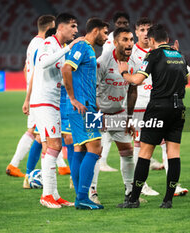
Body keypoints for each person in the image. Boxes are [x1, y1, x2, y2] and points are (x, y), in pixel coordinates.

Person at [131, 17, 190, 197]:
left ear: (153, 37)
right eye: (142, 30)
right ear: (136, 32)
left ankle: (161, 187)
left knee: (155, 147)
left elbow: (185, 68)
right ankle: (141, 186)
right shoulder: (132, 51)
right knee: (143, 146)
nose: (145, 33)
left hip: (156, 104)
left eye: (148, 30)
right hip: (141, 103)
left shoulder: (158, 53)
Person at [117, 24, 189, 208]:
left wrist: (124, 72)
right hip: (178, 108)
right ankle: (168, 200)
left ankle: (133, 199)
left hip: (158, 108)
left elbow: (137, 80)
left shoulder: (153, 54)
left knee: (145, 152)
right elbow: (186, 80)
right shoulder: (179, 56)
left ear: (152, 40)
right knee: (173, 154)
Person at [30, 13, 83, 208]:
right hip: (44, 101)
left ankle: (54, 194)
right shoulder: (48, 44)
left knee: (54, 146)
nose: (76, 31)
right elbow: (43, 63)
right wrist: (69, 48)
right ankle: (46, 196)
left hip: (52, 102)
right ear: (61, 27)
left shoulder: (59, 48)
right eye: (73, 26)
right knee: (54, 145)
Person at [61, 17, 109, 210]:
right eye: (105, 33)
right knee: (95, 148)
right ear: (96, 31)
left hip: (90, 106)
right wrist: (72, 99)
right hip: (81, 107)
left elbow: (87, 81)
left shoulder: (88, 49)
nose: (106, 37)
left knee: (81, 149)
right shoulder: (82, 47)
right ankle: (82, 197)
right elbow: (66, 68)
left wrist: (98, 108)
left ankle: (81, 195)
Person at [88, 27, 138, 205]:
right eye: (125, 40)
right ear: (115, 42)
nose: (130, 43)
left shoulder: (133, 62)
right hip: (99, 113)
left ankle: (130, 191)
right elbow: (91, 90)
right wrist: (97, 114)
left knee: (127, 152)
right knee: (94, 154)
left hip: (119, 113)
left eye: (131, 39)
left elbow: (133, 91)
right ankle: (91, 191)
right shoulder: (102, 61)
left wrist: (130, 118)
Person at [6, 15, 55, 178]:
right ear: (49, 28)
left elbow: (25, 67)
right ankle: (26, 171)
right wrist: (30, 94)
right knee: (40, 135)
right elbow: (34, 70)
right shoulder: (43, 44)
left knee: (40, 134)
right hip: (39, 94)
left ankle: (26, 171)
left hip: (35, 92)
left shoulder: (33, 43)